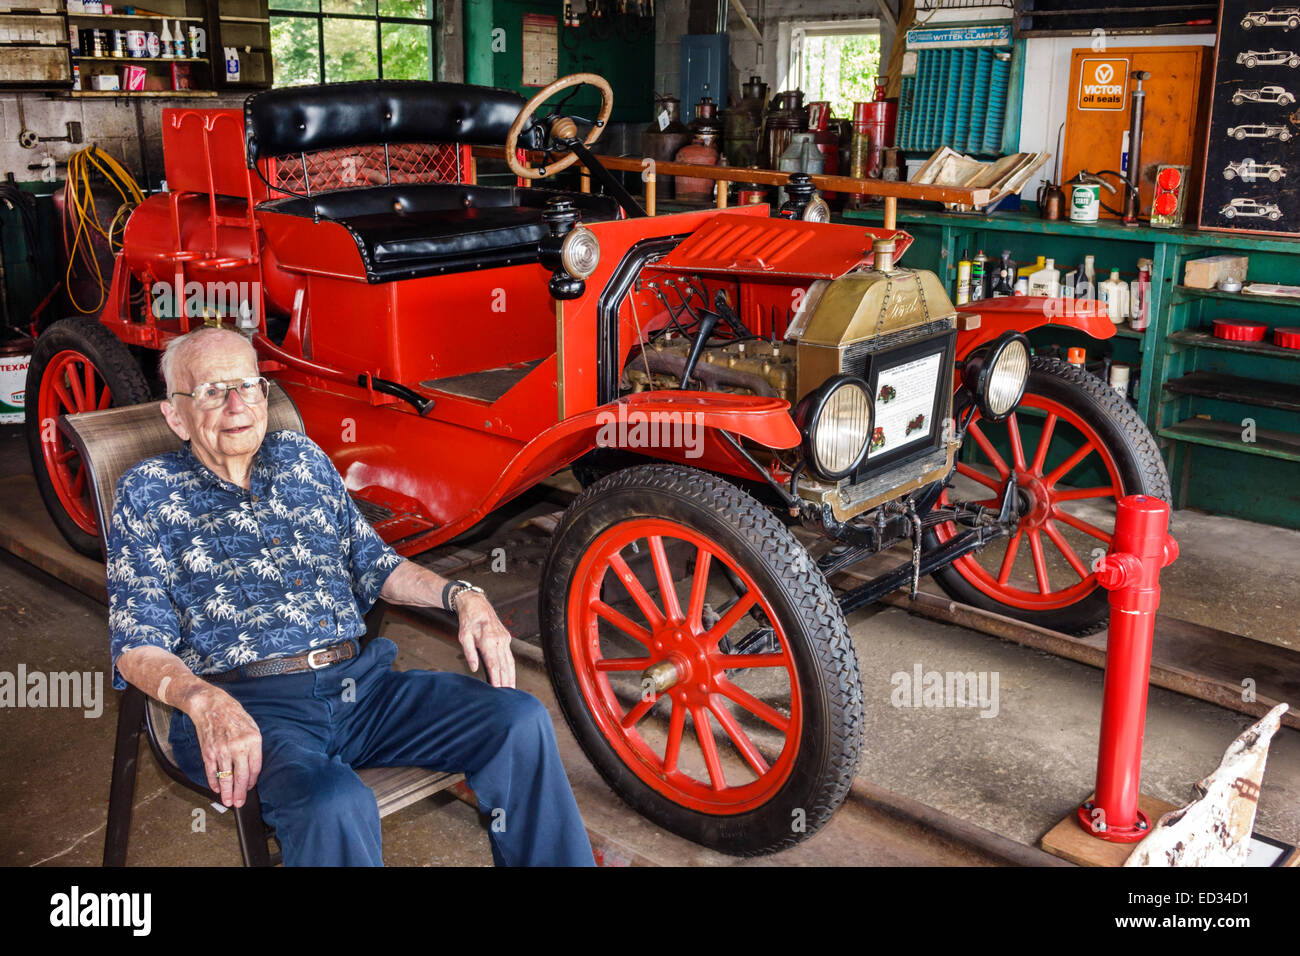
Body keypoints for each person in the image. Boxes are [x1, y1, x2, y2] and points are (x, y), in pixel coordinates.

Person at [106, 326, 594, 866]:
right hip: (251, 709)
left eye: (247, 385)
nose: (236, 404)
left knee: (517, 722)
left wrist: (462, 597)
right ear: (176, 416)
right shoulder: (148, 491)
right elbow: (135, 645)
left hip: (359, 688)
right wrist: (202, 700)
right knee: (333, 803)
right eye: (211, 391)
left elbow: (376, 564)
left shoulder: (300, 457)